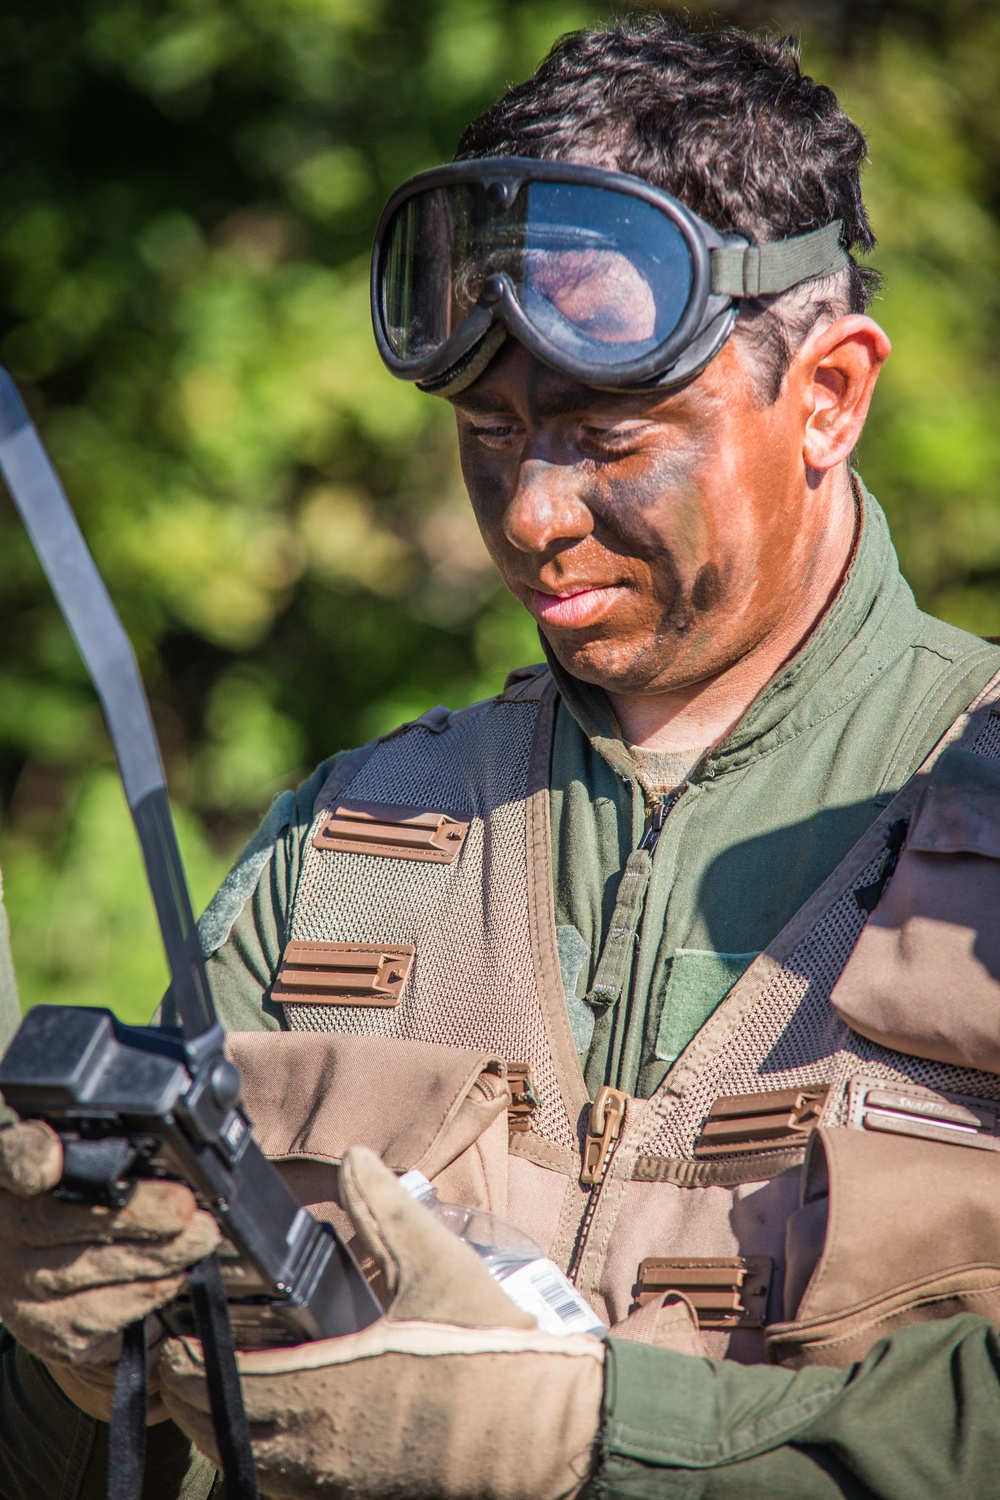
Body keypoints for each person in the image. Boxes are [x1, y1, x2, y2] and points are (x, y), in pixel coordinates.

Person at [4, 13, 1000, 1499]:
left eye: (610, 437)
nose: (529, 513)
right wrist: (65, 1354)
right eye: (489, 427)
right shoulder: (338, 852)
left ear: (833, 396)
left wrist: (600, 1442)